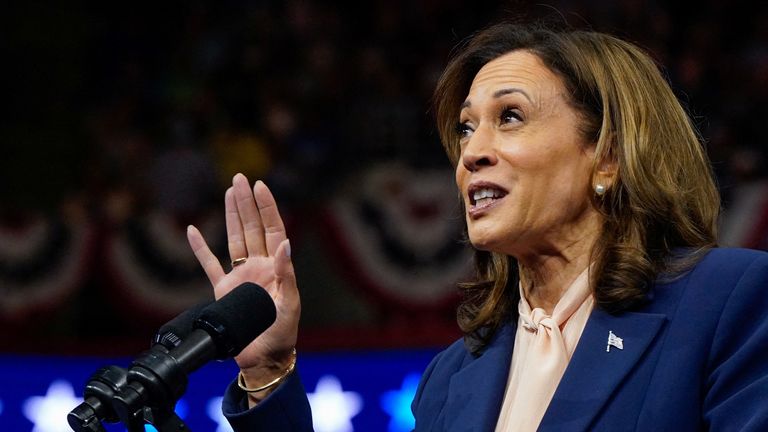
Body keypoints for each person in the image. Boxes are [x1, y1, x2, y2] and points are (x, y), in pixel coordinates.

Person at [186, 21, 768, 431]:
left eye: (509, 117)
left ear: (609, 157)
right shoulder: (455, 376)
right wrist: (269, 371)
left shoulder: (726, 302)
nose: (473, 153)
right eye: (466, 129)